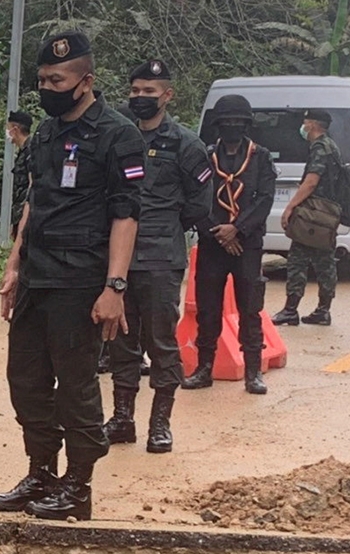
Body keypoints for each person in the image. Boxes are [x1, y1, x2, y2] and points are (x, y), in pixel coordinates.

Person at [0, 30, 144, 521]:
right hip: (37, 277)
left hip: (82, 281)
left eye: (57, 79)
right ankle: (42, 473)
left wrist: (115, 286)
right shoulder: (48, 133)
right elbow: (35, 200)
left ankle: (78, 486)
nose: (47, 87)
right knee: (26, 380)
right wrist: (13, 264)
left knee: (75, 385)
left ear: (86, 81)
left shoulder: (119, 135)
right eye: (42, 79)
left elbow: (126, 213)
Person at [102, 60, 212, 454]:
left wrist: (164, 225)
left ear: (167, 95)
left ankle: (160, 423)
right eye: (135, 91)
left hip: (161, 257)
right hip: (119, 258)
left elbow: (200, 204)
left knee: (161, 340)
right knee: (119, 339)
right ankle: (122, 418)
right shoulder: (118, 138)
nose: (140, 98)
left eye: (149, 92)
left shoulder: (186, 144)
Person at [181, 94, 276, 395]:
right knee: (208, 309)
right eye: (227, 122)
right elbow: (194, 197)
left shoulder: (261, 157)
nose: (232, 127)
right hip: (212, 243)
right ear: (218, 125)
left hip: (246, 244)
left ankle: (252, 372)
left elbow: (264, 199)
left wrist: (237, 229)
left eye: (238, 122)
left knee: (250, 308)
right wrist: (216, 231)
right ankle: (204, 368)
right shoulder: (204, 156)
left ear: (247, 125)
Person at [274, 109, 341, 327]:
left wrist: (290, 207)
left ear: (312, 124)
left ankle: (290, 310)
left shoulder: (320, 148)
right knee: (325, 261)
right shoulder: (332, 146)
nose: (302, 126)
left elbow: (311, 181)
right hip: (327, 214)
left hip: (313, 213)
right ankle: (323, 310)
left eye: (305, 121)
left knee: (297, 259)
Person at [6, 110, 33, 239]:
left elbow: (31, 186)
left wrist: (22, 220)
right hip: (20, 216)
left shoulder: (31, 151)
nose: (7, 132)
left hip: (28, 218)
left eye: (8, 128)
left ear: (15, 130)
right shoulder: (23, 152)